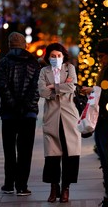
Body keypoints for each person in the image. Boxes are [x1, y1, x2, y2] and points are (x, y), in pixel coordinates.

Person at [0, 32, 41, 196]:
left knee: (9, 150)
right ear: (25, 45)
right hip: (28, 114)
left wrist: (13, 104)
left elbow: (1, 87)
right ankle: (22, 185)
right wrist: (26, 105)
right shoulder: (34, 63)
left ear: (10, 45)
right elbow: (36, 88)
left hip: (9, 114)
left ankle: (9, 184)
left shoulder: (3, 63)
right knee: (25, 150)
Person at [38, 43, 81, 203]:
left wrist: (53, 87)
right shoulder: (44, 71)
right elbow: (42, 91)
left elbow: (71, 86)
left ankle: (66, 188)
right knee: (52, 155)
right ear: (48, 57)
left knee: (71, 154)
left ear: (63, 56)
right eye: (52, 56)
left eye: (58, 55)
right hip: (51, 117)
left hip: (69, 117)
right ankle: (53, 187)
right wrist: (59, 87)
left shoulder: (70, 68)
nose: (56, 59)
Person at [81, 38, 108, 206]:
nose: (100, 60)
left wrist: (95, 91)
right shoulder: (105, 69)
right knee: (105, 159)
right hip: (102, 121)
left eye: (102, 56)